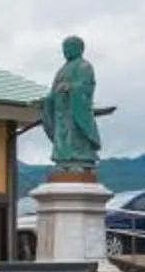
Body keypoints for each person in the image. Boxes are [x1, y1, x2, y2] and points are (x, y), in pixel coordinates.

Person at [40, 36, 101, 173]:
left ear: (79, 49)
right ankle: (63, 161)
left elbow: (86, 86)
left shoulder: (84, 66)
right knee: (62, 136)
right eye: (64, 49)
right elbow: (53, 90)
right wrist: (47, 100)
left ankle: (81, 158)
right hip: (61, 112)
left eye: (69, 48)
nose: (66, 51)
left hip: (75, 109)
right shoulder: (62, 70)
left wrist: (71, 87)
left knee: (75, 135)